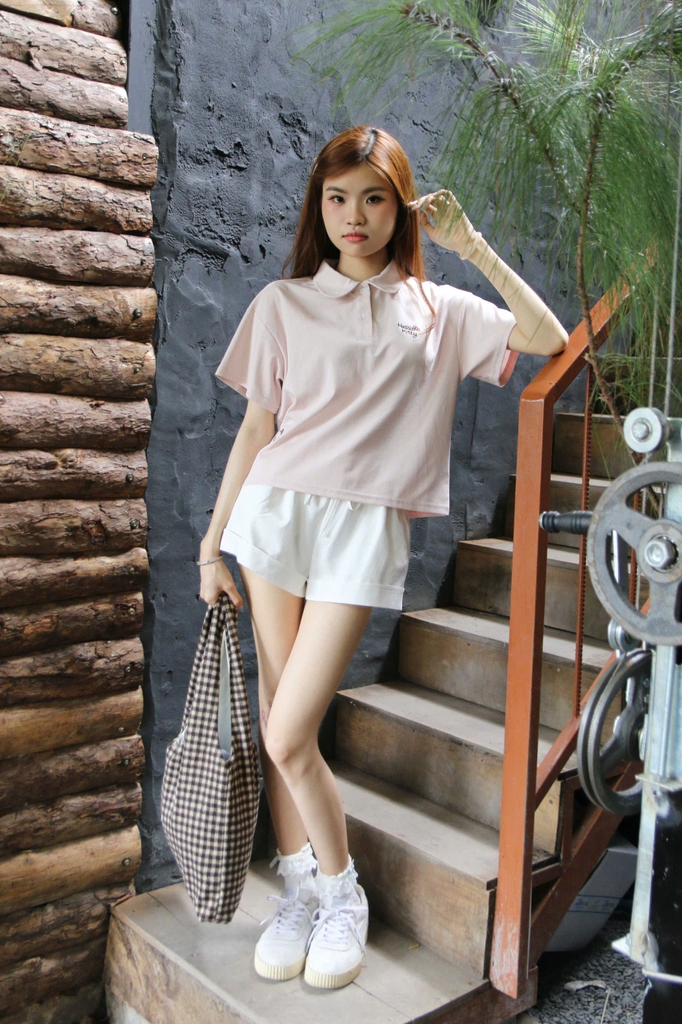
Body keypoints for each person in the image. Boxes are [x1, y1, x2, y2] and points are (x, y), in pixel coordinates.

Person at [197, 125, 568, 990]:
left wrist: (471, 246)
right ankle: (300, 892)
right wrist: (211, 546)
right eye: (336, 198)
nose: (353, 216)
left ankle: (342, 892)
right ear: (318, 206)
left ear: (400, 208)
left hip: (364, 530)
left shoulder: (439, 312)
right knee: (280, 721)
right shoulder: (283, 303)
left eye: (372, 198)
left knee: (289, 731)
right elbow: (256, 429)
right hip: (274, 518)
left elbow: (548, 338)